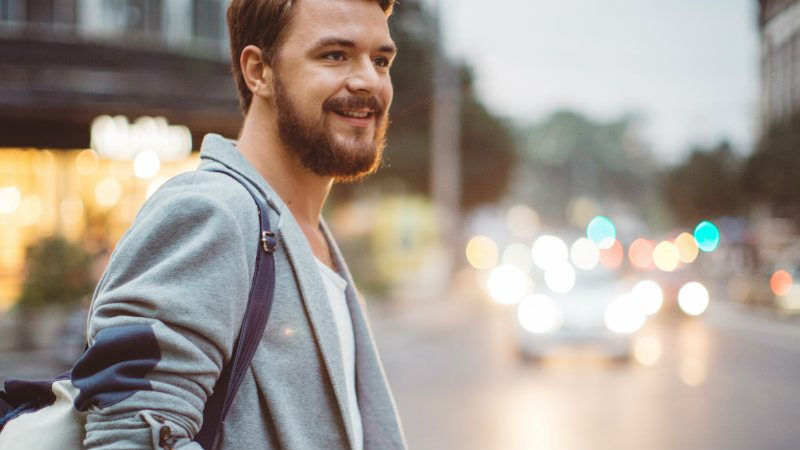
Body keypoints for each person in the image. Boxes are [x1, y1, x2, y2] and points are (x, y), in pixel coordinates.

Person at [77, 0, 407, 448]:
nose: (368, 79)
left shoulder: (307, 236)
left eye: (381, 60)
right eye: (334, 55)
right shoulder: (211, 211)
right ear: (258, 71)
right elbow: (130, 436)